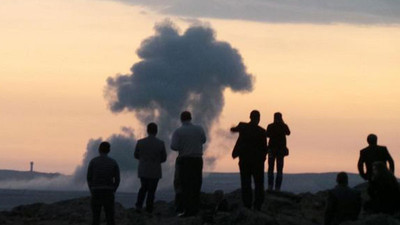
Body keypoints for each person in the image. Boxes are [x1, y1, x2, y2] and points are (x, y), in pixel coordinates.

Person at [171, 111, 206, 217]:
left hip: (184, 160)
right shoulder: (199, 129)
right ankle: (195, 208)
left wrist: (183, 146)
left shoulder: (178, 131)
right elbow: (203, 140)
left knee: (185, 184)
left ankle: (186, 209)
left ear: (181, 119)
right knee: (196, 183)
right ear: (191, 118)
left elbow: (174, 146)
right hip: (197, 159)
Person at [230, 110, 267, 210]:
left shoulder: (243, 127)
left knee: (246, 183)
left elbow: (233, 129)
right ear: (258, 118)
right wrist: (263, 159)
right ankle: (258, 205)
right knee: (259, 184)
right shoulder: (262, 132)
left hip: (245, 160)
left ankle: (247, 204)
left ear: (250, 117)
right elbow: (264, 148)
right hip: (258, 162)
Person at [134, 122, 167, 213]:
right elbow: (164, 158)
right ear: (156, 131)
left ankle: (139, 206)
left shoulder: (140, 142)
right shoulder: (160, 143)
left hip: (143, 169)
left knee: (143, 188)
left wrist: (143, 160)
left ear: (147, 130)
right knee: (152, 190)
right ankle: (149, 208)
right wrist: (156, 161)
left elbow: (136, 155)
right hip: (155, 170)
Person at [87, 142, 120, 225]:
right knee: (110, 217)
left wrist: (91, 189)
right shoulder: (113, 162)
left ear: (99, 150)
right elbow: (117, 179)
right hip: (108, 191)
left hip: (96, 190)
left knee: (96, 217)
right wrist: (114, 189)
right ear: (109, 150)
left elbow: (89, 177)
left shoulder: (93, 162)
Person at [266, 112, 290, 191]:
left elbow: (267, 135)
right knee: (279, 169)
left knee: (270, 168)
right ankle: (277, 188)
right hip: (280, 151)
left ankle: (270, 186)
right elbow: (288, 132)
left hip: (271, 150)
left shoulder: (270, 126)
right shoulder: (283, 126)